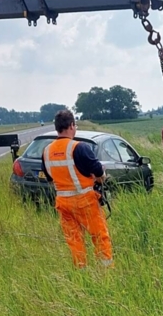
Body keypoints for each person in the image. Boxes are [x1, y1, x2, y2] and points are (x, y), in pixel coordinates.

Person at [41, 110, 113, 268]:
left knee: (74, 240)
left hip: (63, 203)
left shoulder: (46, 152)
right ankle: (106, 271)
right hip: (84, 201)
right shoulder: (79, 148)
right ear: (72, 125)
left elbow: (50, 178)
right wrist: (99, 177)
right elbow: (98, 172)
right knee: (100, 236)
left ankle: (81, 270)